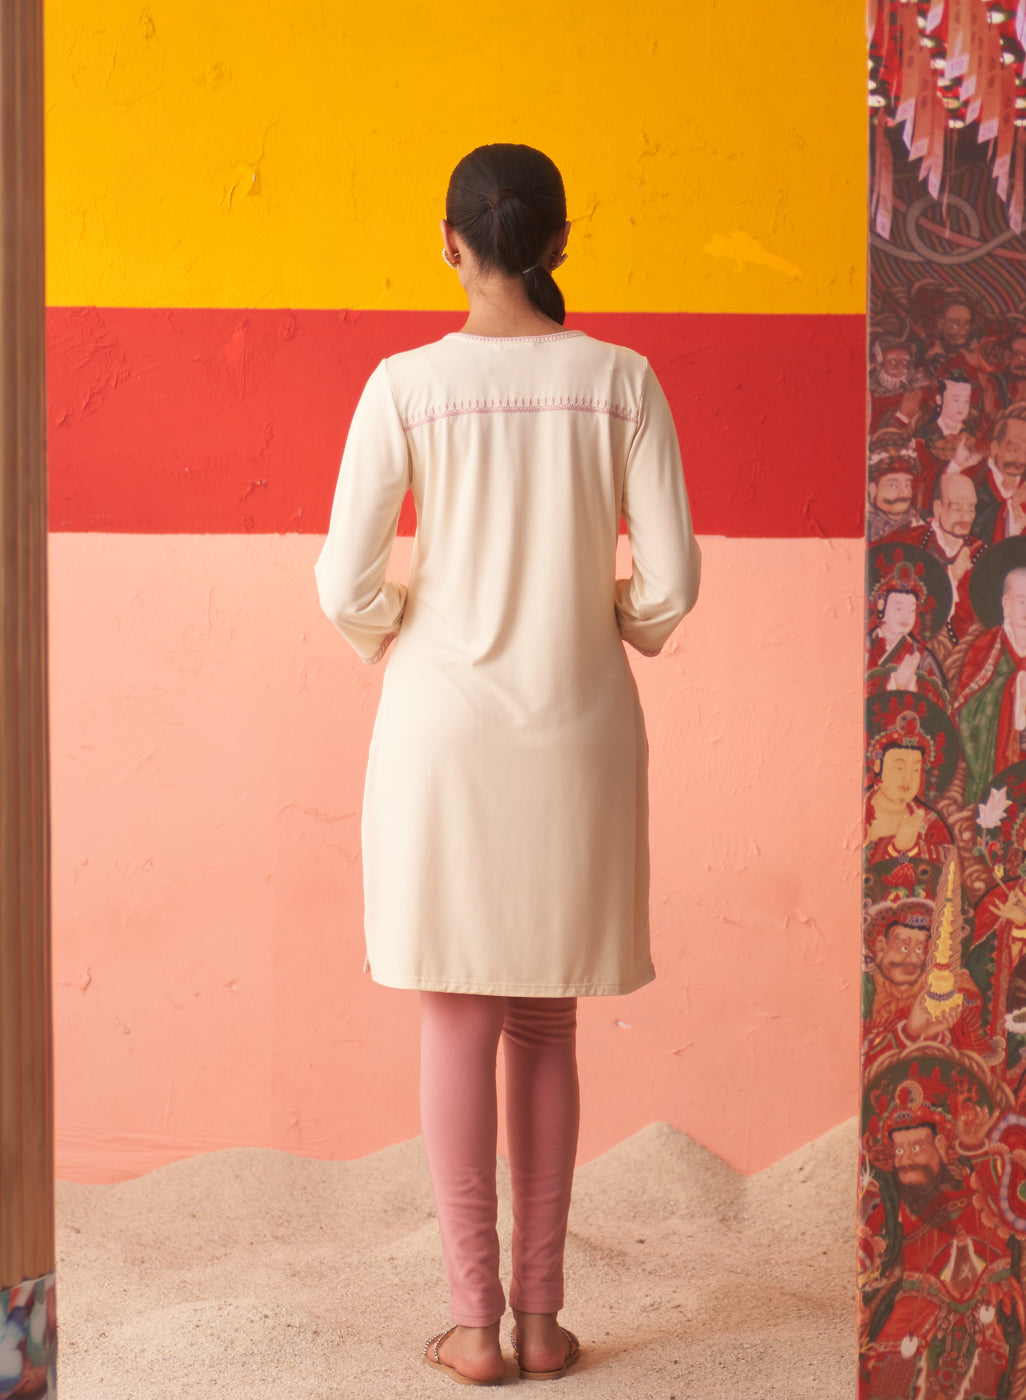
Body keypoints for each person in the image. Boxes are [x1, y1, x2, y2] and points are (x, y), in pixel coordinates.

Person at [314, 144, 700, 1386]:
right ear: (559, 244)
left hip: (444, 732)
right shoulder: (622, 380)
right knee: (546, 1019)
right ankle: (542, 1319)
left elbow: (343, 582)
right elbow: (673, 582)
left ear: (451, 244)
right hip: (579, 728)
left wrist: (404, 629)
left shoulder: (404, 386)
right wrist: (609, 622)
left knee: (456, 1012)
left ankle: (473, 1326)